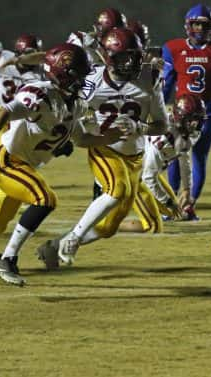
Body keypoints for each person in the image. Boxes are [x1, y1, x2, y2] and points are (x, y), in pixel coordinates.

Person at [0, 43, 120, 285]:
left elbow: (82, 139)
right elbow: (1, 112)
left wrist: (112, 136)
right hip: (6, 160)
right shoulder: (40, 94)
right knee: (45, 199)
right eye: (78, 75)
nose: (83, 81)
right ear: (63, 74)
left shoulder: (74, 103)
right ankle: (7, 259)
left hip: (24, 165)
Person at [36, 27, 168, 269]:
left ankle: (55, 246)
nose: (131, 63)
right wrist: (76, 126)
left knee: (109, 227)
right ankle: (73, 239)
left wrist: (142, 128)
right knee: (116, 189)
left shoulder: (150, 78)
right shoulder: (91, 80)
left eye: (134, 56)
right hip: (104, 147)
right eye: (123, 57)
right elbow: (68, 106)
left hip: (135, 155)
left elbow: (162, 124)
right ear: (108, 57)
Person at [162, 4, 211, 219]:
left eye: (205, 24)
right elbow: (167, 84)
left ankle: (189, 205)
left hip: (205, 112)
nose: (201, 29)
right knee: (174, 156)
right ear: (188, 25)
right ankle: (172, 203)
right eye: (196, 24)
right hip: (180, 112)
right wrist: (158, 108)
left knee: (199, 157)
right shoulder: (174, 49)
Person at [119, 95, 206, 233]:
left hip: (146, 171)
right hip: (133, 177)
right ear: (180, 117)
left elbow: (184, 158)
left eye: (198, 119)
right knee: (154, 225)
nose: (196, 124)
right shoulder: (162, 138)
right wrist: (168, 202)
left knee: (176, 212)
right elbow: (148, 178)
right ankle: (113, 226)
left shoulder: (185, 132)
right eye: (192, 119)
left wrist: (186, 189)